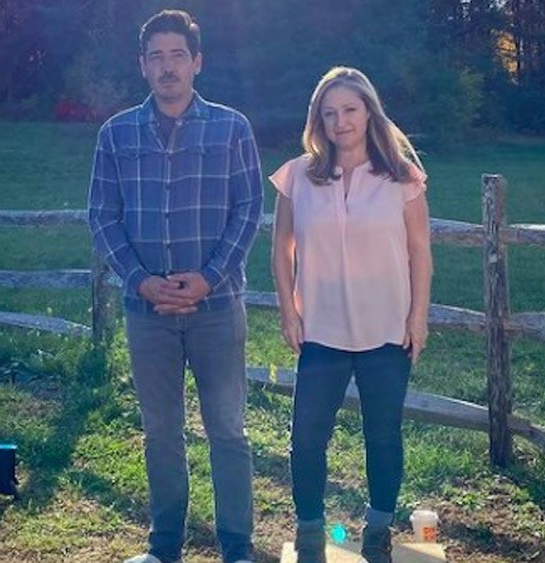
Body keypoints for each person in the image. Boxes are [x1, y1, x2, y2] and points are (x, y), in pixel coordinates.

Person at [88, 9, 263, 563]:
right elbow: (102, 216)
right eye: (157, 57)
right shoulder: (115, 133)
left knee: (229, 432)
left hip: (217, 309)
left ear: (197, 62)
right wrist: (141, 283)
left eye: (177, 56)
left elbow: (249, 208)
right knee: (161, 434)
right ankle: (165, 548)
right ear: (143, 66)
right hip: (148, 316)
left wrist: (209, 277)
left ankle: (236, 546)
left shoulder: (232, 127)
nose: (168, 68)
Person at [269, 66, 433, 563]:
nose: (340, 121)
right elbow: (281, 250)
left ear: (369, 111)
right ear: (318, 119)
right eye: (330, 112)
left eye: (350, 110)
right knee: (306, 437)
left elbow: (420, 252)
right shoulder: (297, 175)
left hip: (387, 328)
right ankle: (312, 535)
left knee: (383, 435)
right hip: (321, 328)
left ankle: (378, 531)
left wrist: (418, 318)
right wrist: (288, 312)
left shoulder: (402, 177)